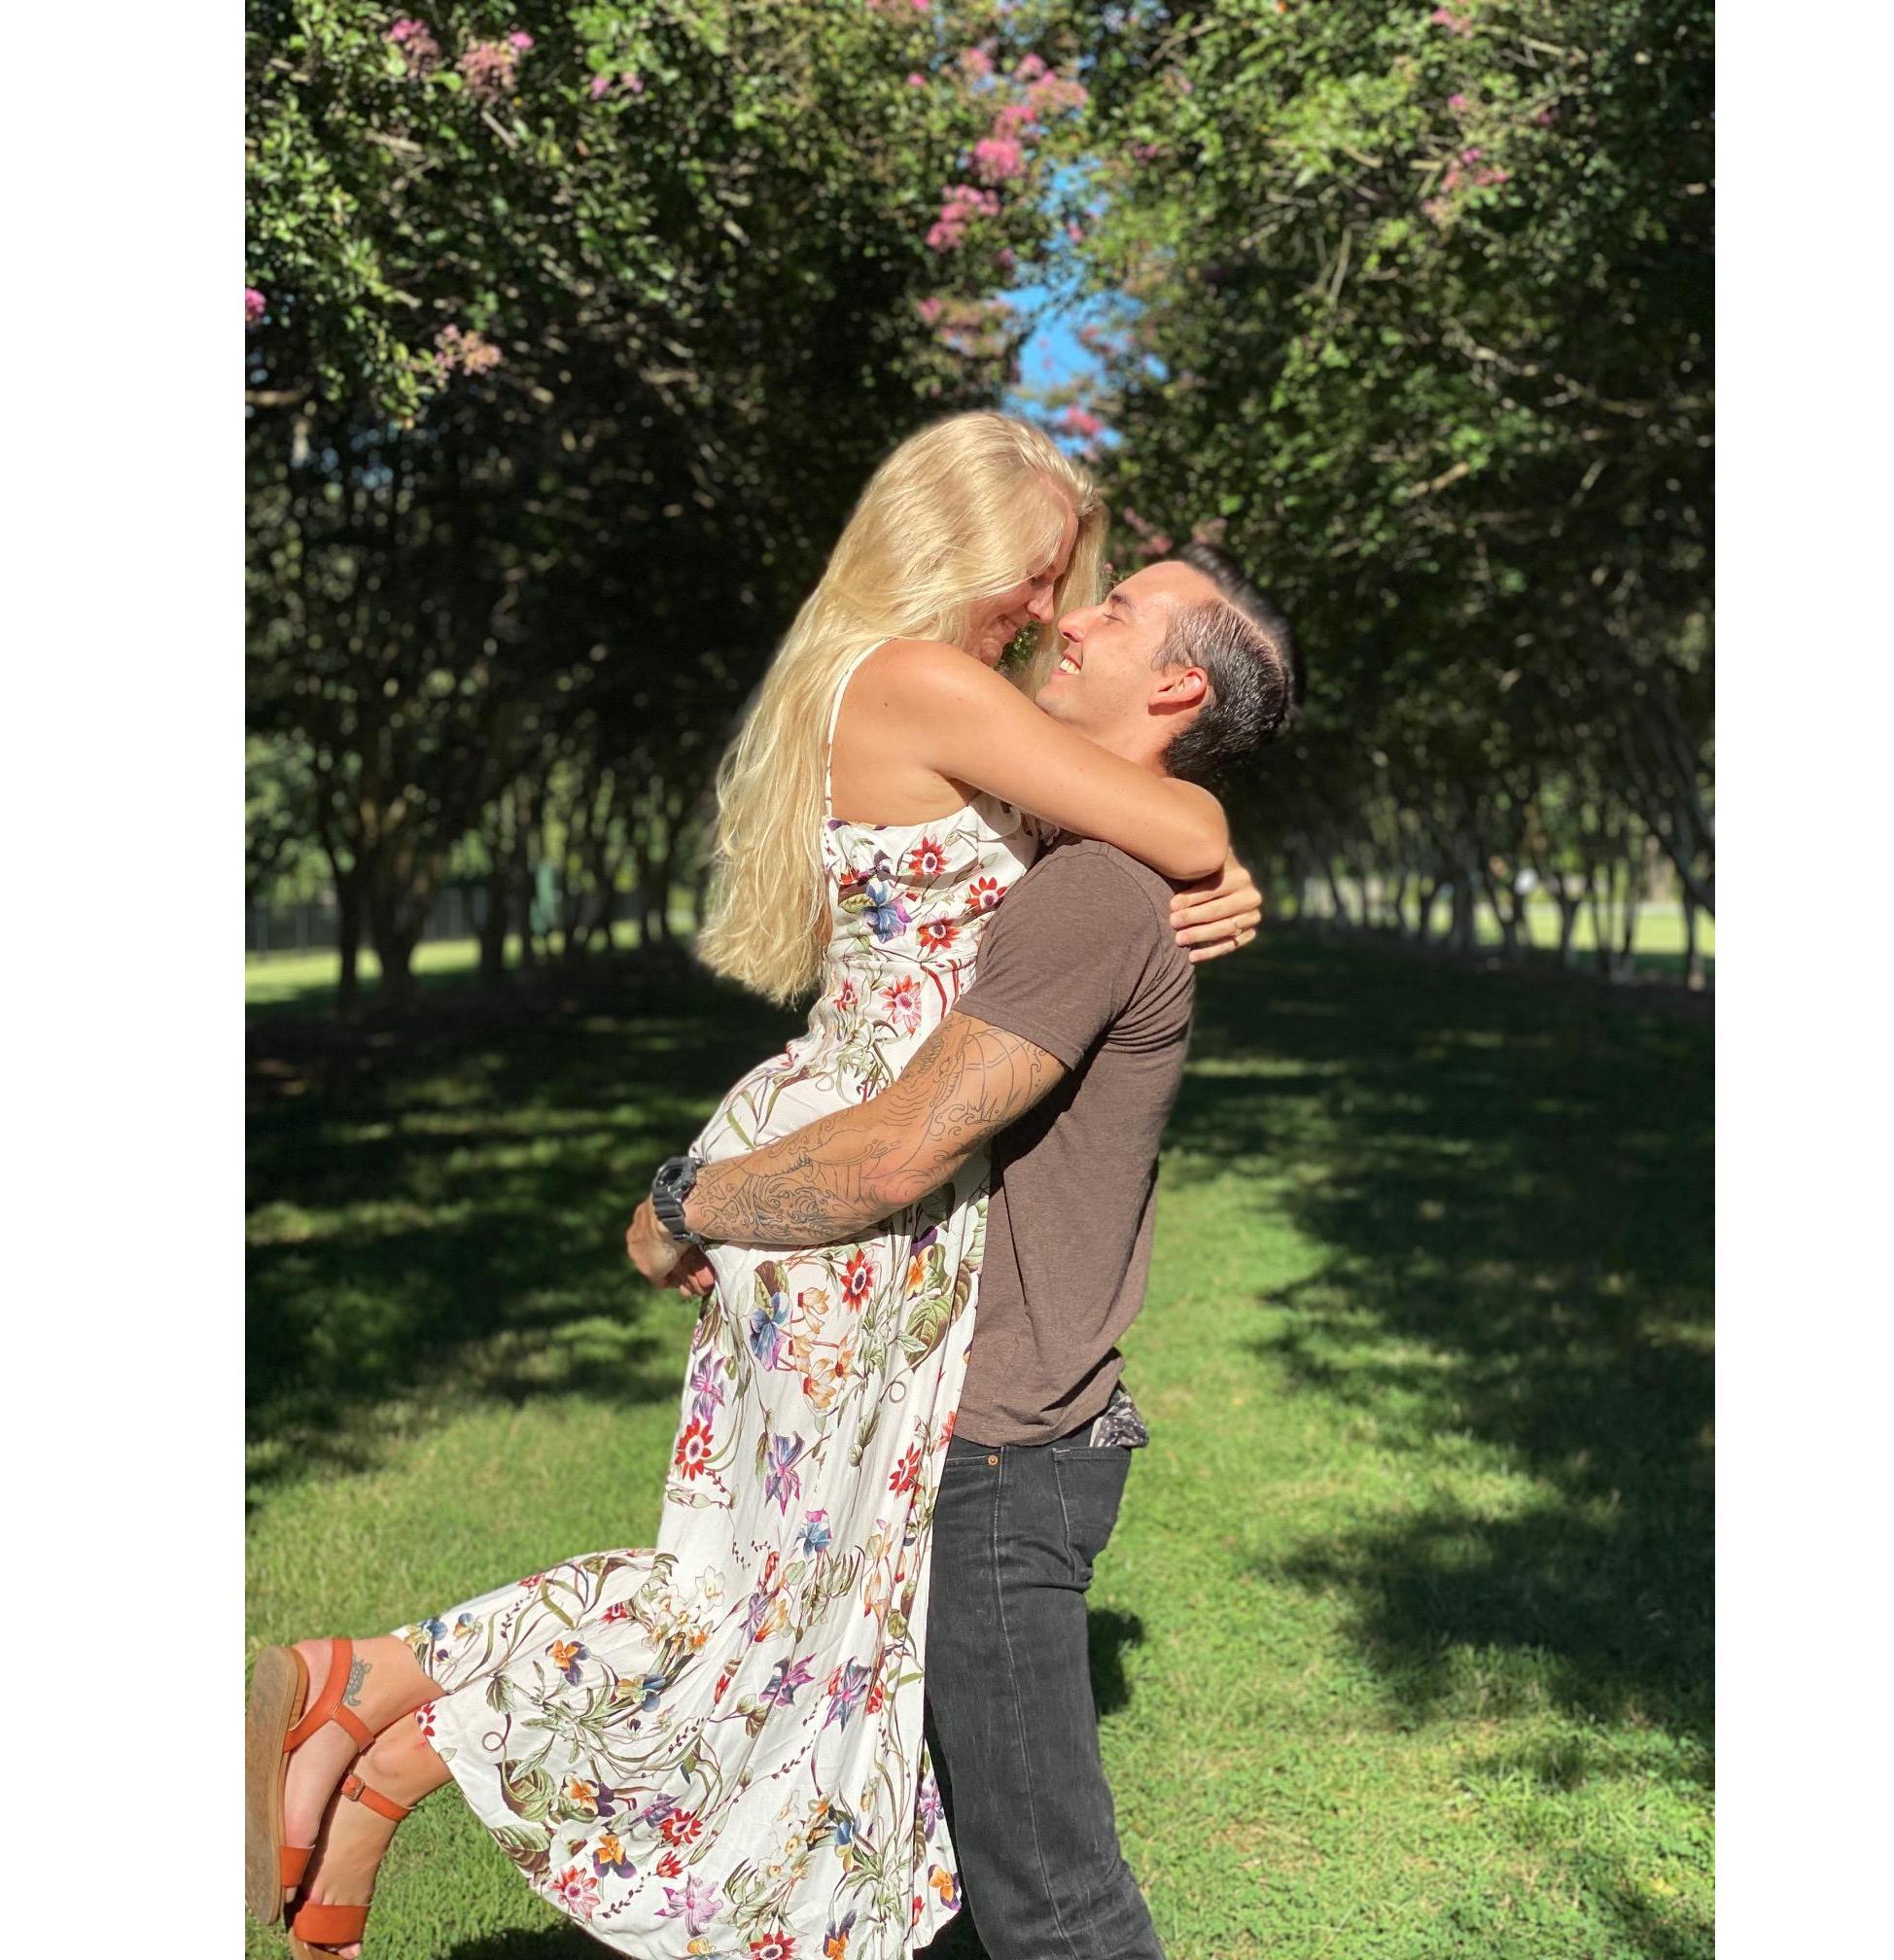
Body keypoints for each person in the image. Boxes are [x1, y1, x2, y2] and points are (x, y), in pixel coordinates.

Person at [246, 413, 1266, 1960]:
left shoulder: (931, 694)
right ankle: (388, 1704)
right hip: (857, 1187)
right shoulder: (923, 681)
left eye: (1081, 589)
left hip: (872, 1179)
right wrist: (1215, 854)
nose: (1051, 609)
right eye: (1046, 572)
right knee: (769, 1617)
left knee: (770, 1601)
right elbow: (1176, 817)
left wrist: (1204, 873)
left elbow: (1129, 842)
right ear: (963, 545)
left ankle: (374, 1714)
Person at [625, 542, 1295, 1960]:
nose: (1073, 617)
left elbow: (899, 1151)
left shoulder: (1090, 891)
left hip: (997, 1449)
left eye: (1118, 608)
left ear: (1177, 686)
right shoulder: (1081, 858)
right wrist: (1218, 847)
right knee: (920, 1874)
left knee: (1053, 1905)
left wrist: (686, 1202)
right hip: (967, 1428)